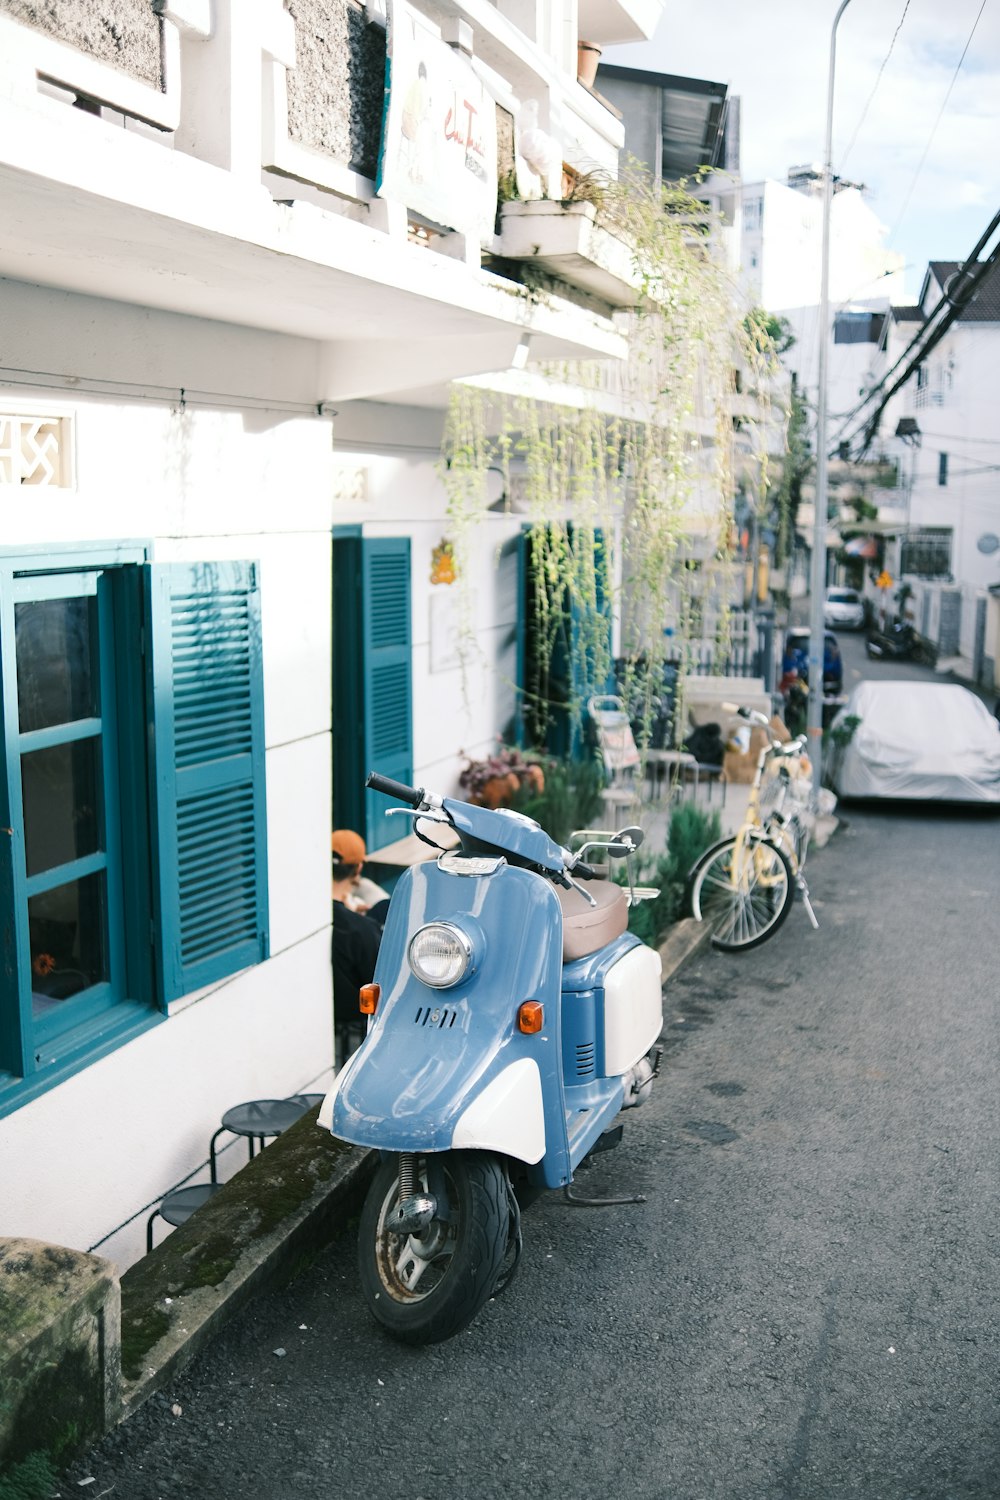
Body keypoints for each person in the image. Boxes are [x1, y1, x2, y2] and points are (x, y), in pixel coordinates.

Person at [331, 830, 382, 1039]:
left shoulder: (308, 916)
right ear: (358, 867)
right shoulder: (361, 928)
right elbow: (377, 979)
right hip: (353, 1021)